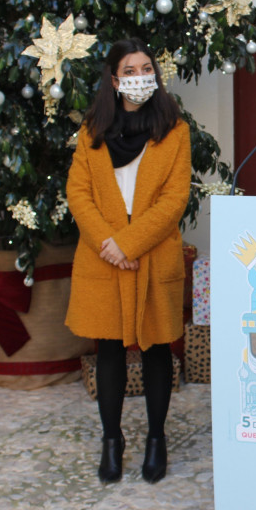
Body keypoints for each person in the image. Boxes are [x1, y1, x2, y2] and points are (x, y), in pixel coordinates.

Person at [65, 38, 192, 485]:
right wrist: (109, 244)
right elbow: (78, 194)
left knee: (158, 348)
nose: (140, 77)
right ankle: (112, 440)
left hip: (152, 256)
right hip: (104, 258)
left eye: (146, 68)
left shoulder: (174, 129)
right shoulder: (92, 129)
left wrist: (130, 244)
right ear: (114, 80)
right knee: (111, 349)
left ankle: (156, 438)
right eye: (130, 70)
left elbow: (175, 198)